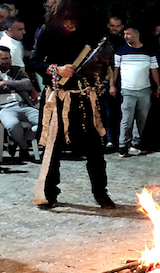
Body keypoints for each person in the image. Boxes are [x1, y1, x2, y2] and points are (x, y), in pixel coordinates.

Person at [31, 0, 115, 209]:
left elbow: (106, 51)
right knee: (52, 147)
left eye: (74, 20)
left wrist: (101, 60)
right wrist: (55, 69)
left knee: (95, 147)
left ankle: (100, 192)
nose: (70, 24)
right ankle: (49, 192)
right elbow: (33, 62)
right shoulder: (46, 31)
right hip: (57, 98)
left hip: (85, 98)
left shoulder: (89, 32)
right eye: (66, 20)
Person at [109, 27, 160, 157]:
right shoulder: (120, 51)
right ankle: (123, 146)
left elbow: (154, 70)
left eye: (128, 33)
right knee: (126, 119)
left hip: (144, 89)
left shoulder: (148, 52)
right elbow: (114, 71)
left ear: (137, 34)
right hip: (127, 90)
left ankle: (135, 144)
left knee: (141, 120)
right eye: (125, 34)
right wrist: (112, 85)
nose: (126, 36)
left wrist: (159, 86)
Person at [0, 45, 37, 161]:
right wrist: (14, 84)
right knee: (13, 125)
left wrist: (5, 83)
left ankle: (18, 140)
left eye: (9, 58)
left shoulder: (16, 70)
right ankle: (24, 147)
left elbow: (27, 84)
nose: (8, 61)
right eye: (4, 59)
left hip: (22, 105)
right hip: (4, 108)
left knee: (45, 122)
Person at [101, 15, 124, 149]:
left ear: (121, 27)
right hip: (106, 80)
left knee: (121, 112)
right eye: (112, 25)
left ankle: (119, 139)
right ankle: (109, 139)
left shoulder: (125, 41)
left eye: (117, 26)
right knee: (108, 111)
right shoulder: (104, 41)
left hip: (124, 80)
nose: (114, 28)